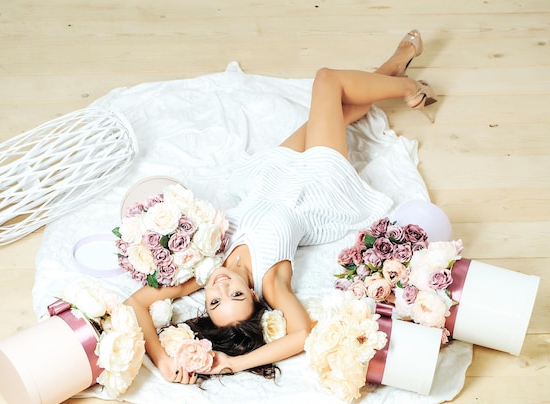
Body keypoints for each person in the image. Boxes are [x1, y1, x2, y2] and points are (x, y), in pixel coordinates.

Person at [124, 29, 436, 384]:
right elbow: (302, 335)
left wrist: (163, 360)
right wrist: (231, 364)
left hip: (273, 179)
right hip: (316, 184)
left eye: (213, 300)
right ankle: (412, 89)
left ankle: (397, 64)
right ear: (255, 295)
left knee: (341, 111)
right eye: (236, 295)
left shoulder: (202, 268)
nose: (221, 286)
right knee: (327, 83)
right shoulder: (271, 281)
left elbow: (135, 304)